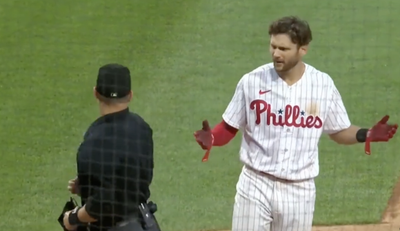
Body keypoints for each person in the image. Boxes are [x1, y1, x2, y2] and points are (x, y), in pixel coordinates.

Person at [193, 16, 398, 231]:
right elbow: (229, 126)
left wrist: (366, 134)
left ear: (303, 50)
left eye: (283, 48)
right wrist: (213, 138)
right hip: (255, 183)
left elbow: (338, 130)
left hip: (299, 191)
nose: (275, 53)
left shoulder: (322, 85)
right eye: (273, 46)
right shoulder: (252, 81)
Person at [62, 63, 158, 231]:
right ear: (130, 95)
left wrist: (73, 218)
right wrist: (88, 185)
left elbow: (103, 204)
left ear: (96, 93)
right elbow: (131, 181)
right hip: (143, 225)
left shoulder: (93, 142)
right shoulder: (142, 128)